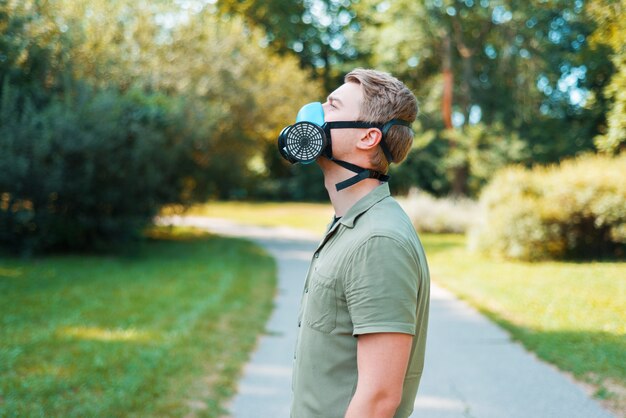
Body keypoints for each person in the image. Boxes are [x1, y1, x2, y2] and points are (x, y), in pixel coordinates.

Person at [280, 68, 430, 418]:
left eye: (331, 106)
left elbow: (379, 398)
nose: (314, 113)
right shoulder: (350, 225)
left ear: (367, 138)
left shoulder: (377, 241)